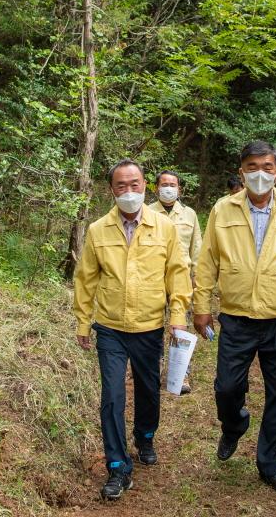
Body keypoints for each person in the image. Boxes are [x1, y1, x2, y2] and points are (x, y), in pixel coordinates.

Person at [193, 141, 276, 494]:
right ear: (241, 170)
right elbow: (208, 260)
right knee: (227, 387)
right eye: (252, 166)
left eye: (267, 167)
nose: (260, 173)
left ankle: (271, 464)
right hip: (237, 316)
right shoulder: (222, 209)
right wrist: (201, 306)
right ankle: (234, 424)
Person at [73, 159, 192, 501]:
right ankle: (117, 467)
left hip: (149, 325)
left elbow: (177, 273)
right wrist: (83, 320)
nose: (128, 192)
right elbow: (86, 279)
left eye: (135, 185)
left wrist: (178, 315)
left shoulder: (164, 227)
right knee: (112, 396)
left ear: (145, 186)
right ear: (112, 190)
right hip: (109, 326)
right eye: (121, 186)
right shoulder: (98, 230)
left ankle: (145, 435)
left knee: (148, 389)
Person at [150, 170, 203, 394]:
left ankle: (181, 375)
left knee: (181, 327)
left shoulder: (189, 215)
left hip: (182, 280)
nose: (169, 188)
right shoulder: (147, 212)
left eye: (173, 184)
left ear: (179, 189)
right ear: (156, 188)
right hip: (153, 278)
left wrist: (197, 279)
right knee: (153, 327)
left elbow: (197, 249)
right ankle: (153, 371)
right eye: (164, 184)